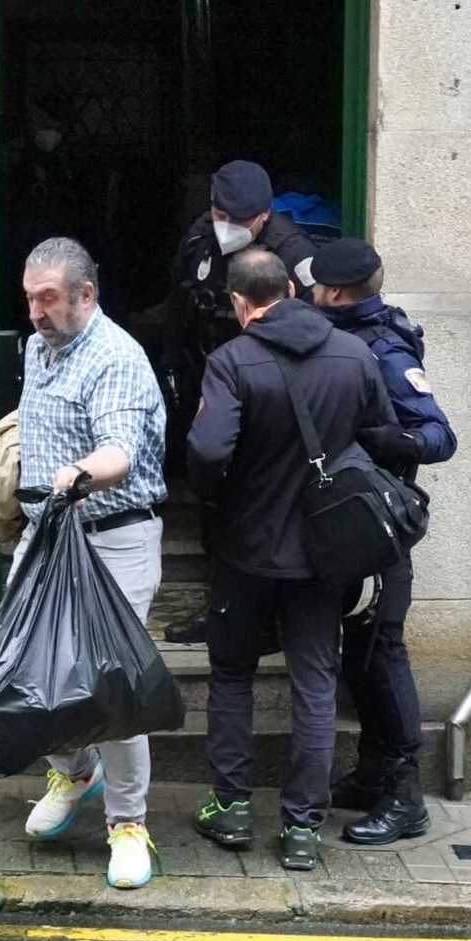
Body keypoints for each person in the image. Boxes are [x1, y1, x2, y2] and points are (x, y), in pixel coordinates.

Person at [186, 246, 397, 870]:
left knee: (231, 674)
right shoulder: (354, 353)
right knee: (315, 681)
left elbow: (206, 449)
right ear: (295, 290)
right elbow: (379, 434)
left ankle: (229, 808)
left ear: (238, 301)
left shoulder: (231, 361)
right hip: (325, 556)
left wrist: (217, 493)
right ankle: (303, 826)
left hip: (246, 551)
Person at [12, 237, 169, 889]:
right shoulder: (34, 346)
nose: (36, 312)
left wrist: (79, 473)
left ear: (86, 294)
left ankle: (127, 822)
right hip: (47, 533)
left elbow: (119, 451)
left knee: (112, 682)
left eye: (48, 298)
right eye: (29, 298)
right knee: (30, 664)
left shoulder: (116, 357)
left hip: (114, 533)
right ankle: (74, 772)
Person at [308, 238, 458, 845]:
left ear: (337, 294)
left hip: (377, 530)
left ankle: (405, 796)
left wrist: (389, 442)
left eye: (318, 289)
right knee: (361, 657)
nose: (311, 296)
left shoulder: (384, 349)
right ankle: (372, 776)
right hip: (346, 527)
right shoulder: (341, 339)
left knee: (384, 654)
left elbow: (440, 436)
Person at [150, 159, 321, 645]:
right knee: (214, 505)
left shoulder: (294, 253)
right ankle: (223, 611)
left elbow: (314, 331)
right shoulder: (201, 235)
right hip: (212, 382)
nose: (230, 228)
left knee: (270, 510)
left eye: (242, 221)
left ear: (264, 216)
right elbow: (180, 301)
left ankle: (270, 620)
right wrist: (169, 364)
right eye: (223, 215)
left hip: (272, 396)